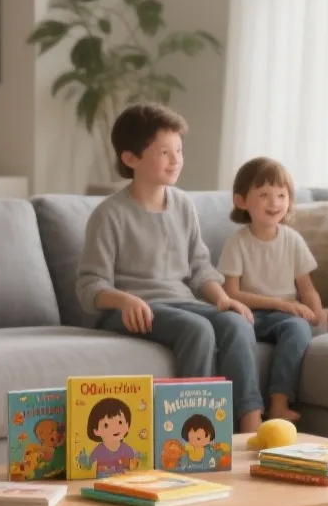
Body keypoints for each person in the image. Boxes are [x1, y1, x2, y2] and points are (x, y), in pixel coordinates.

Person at [76, 103, 267, 432]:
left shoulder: (183, 205)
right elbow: (89, 285)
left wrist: (221, 298)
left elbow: (199, 267)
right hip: (132, 310)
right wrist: (124, 300)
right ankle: (192, 428)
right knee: (198, 330)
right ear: (131, 158)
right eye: (164, 151)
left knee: (236, 322)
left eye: (179, 150)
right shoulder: (109, 215)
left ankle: (252, 424)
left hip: (182, 302)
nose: (176, 159)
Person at [219, 156, 321, 422]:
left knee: (298, 327)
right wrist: (284, 304)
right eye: (264, 194)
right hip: (248, 313)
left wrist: (316, 314)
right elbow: (231, 293)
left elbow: (307, 288)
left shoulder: (293, 240)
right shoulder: (237, 242)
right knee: (235, 328)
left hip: (283, 318)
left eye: (281, 194)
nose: (274, 202)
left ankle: (279, 404)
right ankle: (247, 410)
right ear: (242, 201)